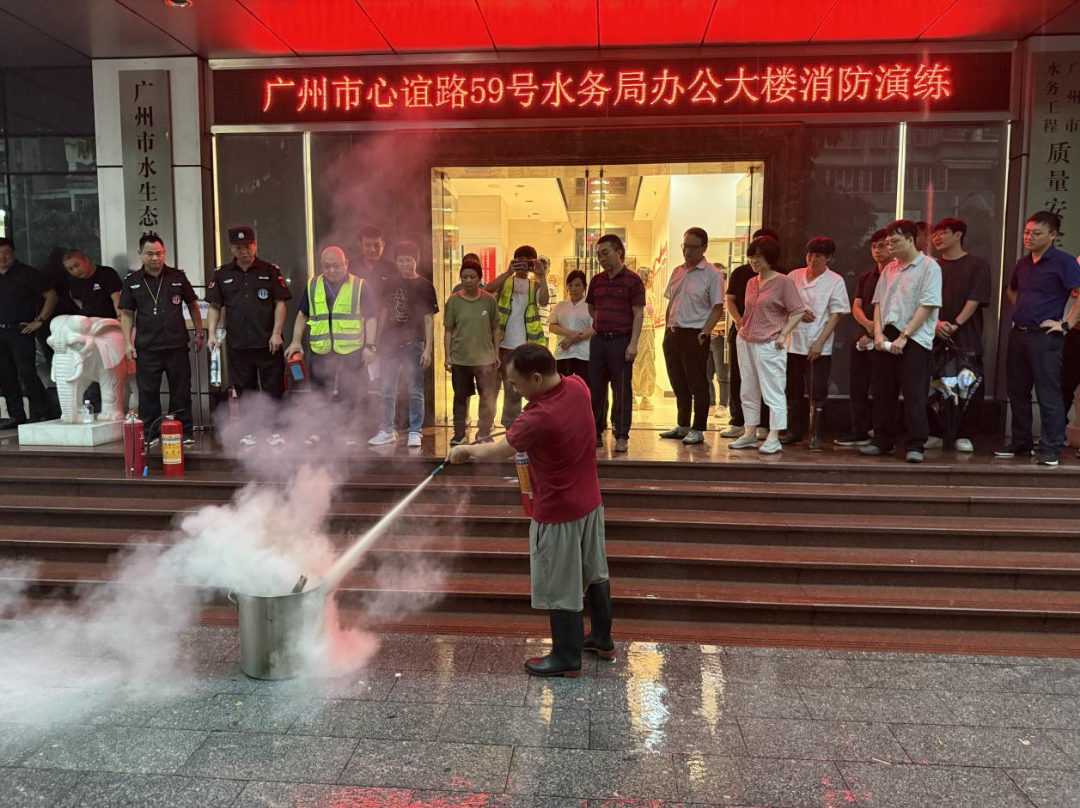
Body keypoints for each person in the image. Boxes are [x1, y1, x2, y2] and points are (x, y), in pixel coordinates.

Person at [448, 344, 613, 677]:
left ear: (536, 378)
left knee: (561, 583)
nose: (514, 389)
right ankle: (601, 638)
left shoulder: (537, 418)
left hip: (558, 511)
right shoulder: (577, 386)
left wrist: (465, 450)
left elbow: (498, 451)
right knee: (595, 571)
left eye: (515, 383)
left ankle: (566, 657)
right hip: (590, 502)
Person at [996, 211, 1080, 466]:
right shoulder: (1023, 263)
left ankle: (1051, 448)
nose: (1029, 237)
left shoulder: (1064, 262)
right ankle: (1021, 443)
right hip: (1019, 333)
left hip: (1045, 337)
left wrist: (1066, 323)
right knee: (1018, 391)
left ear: (1052, 235)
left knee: (1048, 393)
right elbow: (1011, 289)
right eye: (1027, 232)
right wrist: (1024, 308)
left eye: (1036, 233)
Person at [860, 220, 942, 464]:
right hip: (886, 334)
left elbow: (927, 305)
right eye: (887, 242)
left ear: (911, 240)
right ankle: (882, 440)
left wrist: (905, 336)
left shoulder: (929, 267)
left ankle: (915, 444)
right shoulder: (889, 269)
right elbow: (878, 303)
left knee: (914, 394)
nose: (890, 246)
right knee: (883, 392)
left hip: (914, 338)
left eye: (894, 241)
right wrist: (877, 333)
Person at [206, 226, 292, 447]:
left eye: (248, 246)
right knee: (244, 390)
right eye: (239, 247)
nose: (244, 251)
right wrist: (212, 334)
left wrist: (276, 333)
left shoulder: (269, 271)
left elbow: (280, 303)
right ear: (231, 248)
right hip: (238, 344)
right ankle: (252, 431)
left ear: (255, 245)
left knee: (273, 389)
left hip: (268, 343)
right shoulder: (223, 274)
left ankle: (275, 430)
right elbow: (214, 306)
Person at [285, 246, 378, 445]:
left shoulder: (360, 286)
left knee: (350, 393)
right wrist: (295, 341)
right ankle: (320, 432)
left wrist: (370, 346)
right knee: (319, 393)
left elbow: (371, 317)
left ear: (346, 264)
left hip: (350, 349)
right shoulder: (313, 285)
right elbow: (303, 314)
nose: (332, 270)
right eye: (326, 266)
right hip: (321, 349)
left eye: (336, 266)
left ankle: (348, 432)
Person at [119, 235, 204, 446]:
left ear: (164, 253)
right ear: (140, 255)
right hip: (147, 347)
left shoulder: (177, 277)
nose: (155, 258)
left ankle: (184, 431)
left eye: (159, 253)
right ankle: (151, 434)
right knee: (148, 392)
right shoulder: (132, 281)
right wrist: (127, 343)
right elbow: (127, 313)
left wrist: (199, 333)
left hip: (176, 345)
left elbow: (193, 305)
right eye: (149, 254)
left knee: (181, 391)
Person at [729, 236, 807, 454]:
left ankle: (773, 436)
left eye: (759, 257)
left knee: (773, 389)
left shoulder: (783, 282)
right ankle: (749, 433)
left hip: (770, 342)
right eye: (751, 257)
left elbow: (798, 310)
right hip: (745, 339)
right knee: (748, 388)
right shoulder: (751, 282)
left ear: (770, 259)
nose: (753, 261)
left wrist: (783, 334)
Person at [926, 218, 992, 453]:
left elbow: (975, 298)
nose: (937, 237)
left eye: (943, 232)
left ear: (958, 235)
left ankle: (964, 434)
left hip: (966, 337)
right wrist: (936, 324)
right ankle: (935, 433)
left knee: (968, 385)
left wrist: (955, 324)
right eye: (935, 234)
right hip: (935, 335)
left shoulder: (977, 264)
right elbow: (924, 300)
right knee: (935, 385)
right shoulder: (932, 266)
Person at [369, 240, 438, 448]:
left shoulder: (425, 286)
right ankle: (386, 430)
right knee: (387, 389)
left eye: (408, 260)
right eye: (400, 260)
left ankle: (415, 430)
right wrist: (376, 343)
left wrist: (428, 349)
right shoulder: (389, 283)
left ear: (416, 260)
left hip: (413, 343)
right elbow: (382, 313)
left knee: (415, 389)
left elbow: (429, 319)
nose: (405, 264)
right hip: (389, 343)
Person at [660, 227, 725, 446]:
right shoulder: (677, 271)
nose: (687, 251)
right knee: (678, 381)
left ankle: (698, 428)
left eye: (693, 247)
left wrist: (704, 333)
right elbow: (672, 301)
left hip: (694, 335)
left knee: (697, 382)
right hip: (673, 333)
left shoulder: (713, 274)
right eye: (685, 246)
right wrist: (667, 328)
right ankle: (683, 425)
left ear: (704, 247)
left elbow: (717, 308)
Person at [783, 237, 850, 451]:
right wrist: (798, 311)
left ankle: (814, 434)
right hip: (793, 341)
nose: (813, 259)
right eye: (810, 255)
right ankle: (793, 431)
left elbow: (837, 314)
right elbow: (782, 302)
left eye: (818, 256)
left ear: (828, 258)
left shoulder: (835, 281)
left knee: (817, 389)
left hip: (818, 344)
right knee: (793, 388)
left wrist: (820, 342)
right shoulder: (794, 276)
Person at [586, 234, 645, 454]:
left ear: (619, 252)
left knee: (621, 390)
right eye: (598, 255)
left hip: (621, 341)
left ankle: (621, 435)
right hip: (598, 341)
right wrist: (603, 321)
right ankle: (595, 433)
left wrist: (633, 344)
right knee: (595, 389)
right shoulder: (596, 281)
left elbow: (638, 314)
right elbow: (592, 308)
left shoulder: (633, 280)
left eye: (605, 253)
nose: (601, 258)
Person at [722, 227, 781, 441]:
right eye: (754, 249)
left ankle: (764, 424)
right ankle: (739, 421)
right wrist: (739, 321)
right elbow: (730, 299)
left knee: (767, 379)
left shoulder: (781, 275)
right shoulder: (741, 273)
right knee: (740, 378)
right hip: (742, 331)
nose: (756, 256)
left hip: (768, 337)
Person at [836, 229, 890, 447]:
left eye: (882, 246)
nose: (877, 250)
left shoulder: (897, 276)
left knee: (882, 390)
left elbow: (893, 309)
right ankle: (858, 430)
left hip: (885, 340)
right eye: (874, 246)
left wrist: (873, 332)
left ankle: (881, 433)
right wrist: (867, 327)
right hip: (862, 339)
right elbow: (856, 306)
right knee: (857, 387)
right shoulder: (866, 277)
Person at [485, 245, 549, 428]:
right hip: (499, 344)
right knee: (491, 388)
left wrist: (542, 276)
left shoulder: (536, 285)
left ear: (534, 262)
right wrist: (508, 272)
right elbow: (487, 290)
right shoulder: (505, 281)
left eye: (528, 260)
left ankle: (511, 429)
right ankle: (486, 425)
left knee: (514, 390)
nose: (523, 263)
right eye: (519, 259)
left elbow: (544, 301)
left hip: (522, 348)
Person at [0, 238, 56, 428]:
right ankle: (16, 415)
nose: (2, 257)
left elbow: (51, 296)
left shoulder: (27, 273)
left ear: (13, 253)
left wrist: (39, 320)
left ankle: (43, 413)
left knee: (27, 373)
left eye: (6, 253)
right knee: (5, 375)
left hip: (21, 331)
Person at [443, 258, 500, 446]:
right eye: (464, 277)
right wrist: (447, 356)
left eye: (472, 277)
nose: (468, 280)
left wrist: (496, 354)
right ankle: (459, 434)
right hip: (461, 358)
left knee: (487, 397)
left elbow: (495, 328)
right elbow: (448, 330)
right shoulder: (453, 300)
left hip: (485, 359)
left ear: (480, 279)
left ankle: (484, 433)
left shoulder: (489, 300)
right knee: (460, 398)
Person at [64, 249, 124, 413]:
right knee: (87, 366)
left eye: (77, 265)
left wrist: (120, 318)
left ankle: (111, 406)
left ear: (86, 259)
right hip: (88, 329)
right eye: (70, 269)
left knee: (108, 369)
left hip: (109, 327)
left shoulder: (106, 273)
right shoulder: (74, 282)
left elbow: (116, 297)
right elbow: (75, 297)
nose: (75, 271)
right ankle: (92, 406)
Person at [548, 269, 593, 380]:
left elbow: (595, 328)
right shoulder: (561, 305)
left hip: (584, 355)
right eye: (570, 285)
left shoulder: (590, 306)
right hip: (563, 353)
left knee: (584, 387)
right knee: (562, 386)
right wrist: (569, 333)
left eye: (577, 285)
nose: (573, 289)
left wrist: (571, 340)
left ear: (584, 287)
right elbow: (552, 326)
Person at [632, 266, 657, 411]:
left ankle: (645, 397)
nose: (651, 280)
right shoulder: (633, 294)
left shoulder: (651, 295)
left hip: (649, 332)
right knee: (635, 363)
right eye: (650, 278)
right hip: (637, 332)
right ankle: (632, 396)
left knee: (648, 364)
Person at [353, 225, 397, 300]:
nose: (372, 250)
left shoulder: (393, 269)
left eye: (377, 245)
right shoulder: (350, 268)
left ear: (383, 245)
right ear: (360, 244)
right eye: (367, 245)